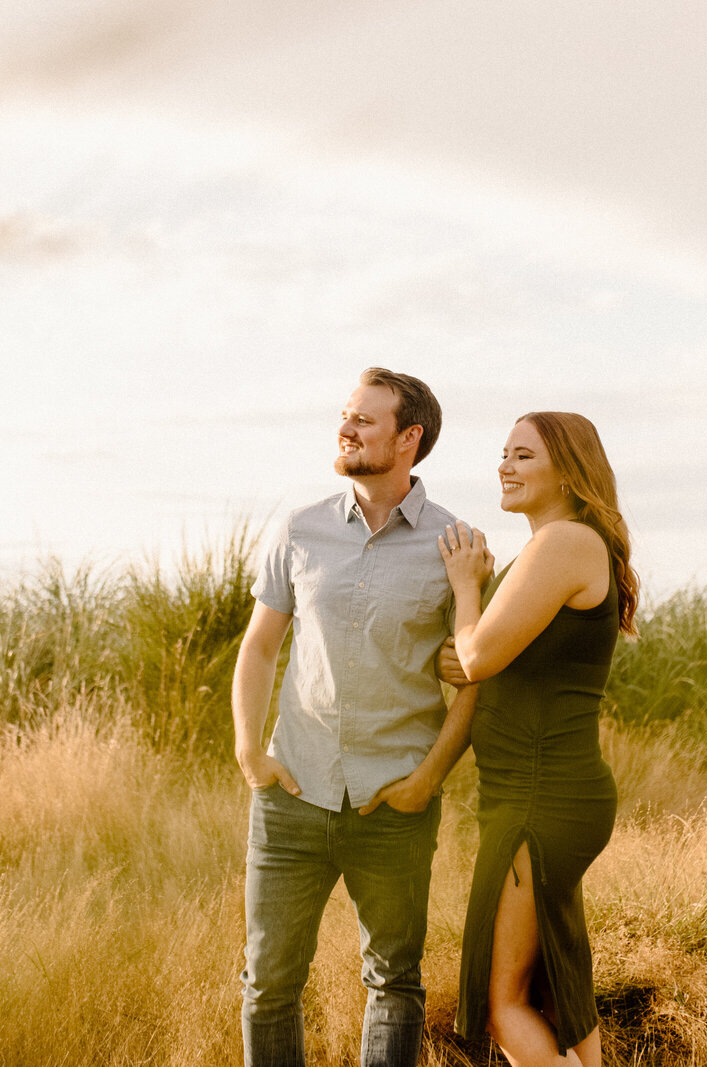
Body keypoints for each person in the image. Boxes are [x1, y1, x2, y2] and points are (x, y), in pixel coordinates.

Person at [232, 368, 479, 1067]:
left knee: (395, 982)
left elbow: (474, 676)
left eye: (365, 420)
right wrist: (252, 752)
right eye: (345, 414)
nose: (346, 427)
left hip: (393, 800)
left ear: (410, 437)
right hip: (292, 794)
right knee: (269, 982)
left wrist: (428, 778)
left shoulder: (456, 545)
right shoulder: (300, 527)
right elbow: (259, 647)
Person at [438, 411, 639, 1067]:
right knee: (558, 994)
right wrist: (469, 646)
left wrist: (466, 588)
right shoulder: (558, 547)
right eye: (504, 453)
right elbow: (491, 657)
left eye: (523, 455)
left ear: (569, 471)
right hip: (541, 795)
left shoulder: (563, 543)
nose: (505, 465)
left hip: (537, 798)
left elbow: (479, 657)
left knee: (507, 1005)